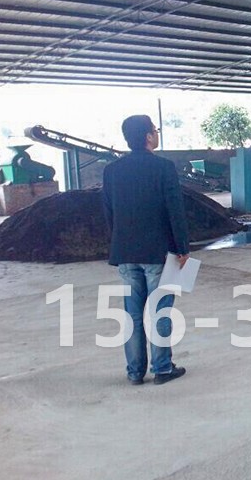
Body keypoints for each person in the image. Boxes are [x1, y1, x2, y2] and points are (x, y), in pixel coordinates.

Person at [102, 114, 190, 385]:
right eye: (155, 130)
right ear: (148, 136)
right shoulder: (163, 167)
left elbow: (109, 212)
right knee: (159, 310)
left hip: (125, 253)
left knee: (132, 314)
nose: (156, 133)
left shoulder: (112, 170)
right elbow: (175, 210)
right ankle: (162, 368)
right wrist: (182, 248)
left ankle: (134, 371)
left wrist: (119, 241)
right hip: (157, 252)